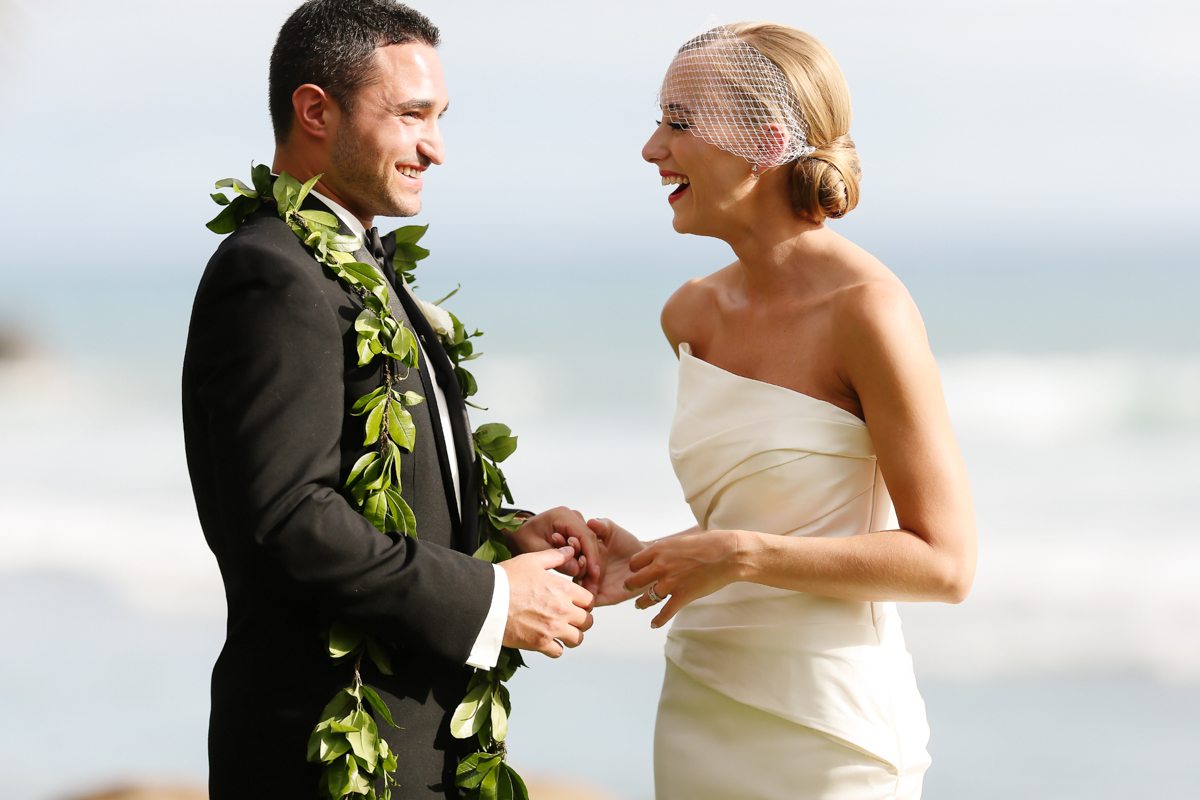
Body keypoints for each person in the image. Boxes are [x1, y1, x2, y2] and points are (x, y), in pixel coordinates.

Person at [181, 2, 600, 797]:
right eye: (410, 116)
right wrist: (490, 600)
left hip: (415, 742)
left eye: (438, 118)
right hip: (322, 754)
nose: (435, 147)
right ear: (315, 110)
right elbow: (287, 517)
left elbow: (363, 481)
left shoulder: (361, 266)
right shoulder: (270, 274)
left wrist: (499, 534)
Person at [585, 23, 977, 800]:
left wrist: (741, 555)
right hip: (701, 704)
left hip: (829, 733)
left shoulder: (870, 312)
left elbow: (945, 563)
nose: (651, 148)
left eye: (678, 122)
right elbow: (769, 513)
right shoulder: (689, 315)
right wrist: (654, 560)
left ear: (765, 139)